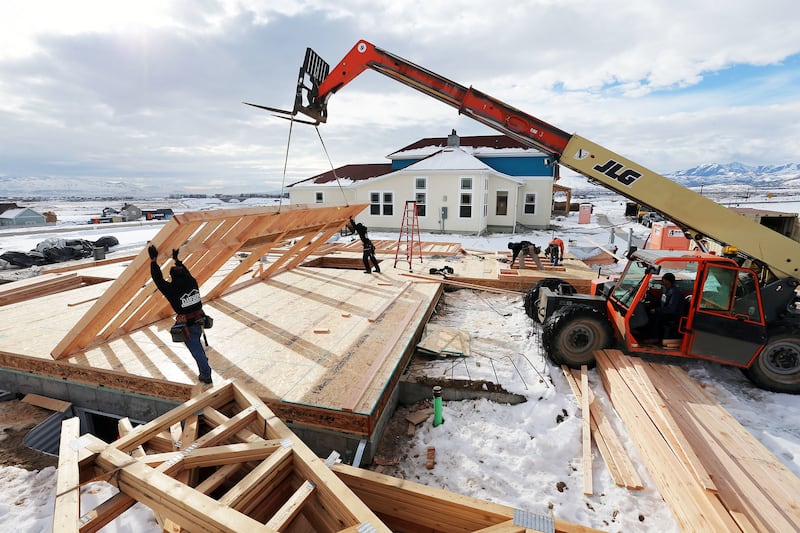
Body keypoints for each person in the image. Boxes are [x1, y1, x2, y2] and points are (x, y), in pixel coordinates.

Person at [148, 244, 213, 384]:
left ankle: (206, 375)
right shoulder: (192, 282)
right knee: (197, 347)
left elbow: (158, 279)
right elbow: (186, 273)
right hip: (200, 319)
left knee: (196, 350)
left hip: (188, 325)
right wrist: (177, 260)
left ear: (172, 277)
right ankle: (204, 363)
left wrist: (153, 261)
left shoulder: (172, 289)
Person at [647, 272, 683, 342]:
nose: (662, 282)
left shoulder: (675, 292)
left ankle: (655, 337)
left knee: (655, 317)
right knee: (648, 311)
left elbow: (671, 309)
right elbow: (662, 300)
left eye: (663, 280)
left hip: (673, 314)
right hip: (666, 310)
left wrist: (656, 310)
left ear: (667, 281)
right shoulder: (665, 289)